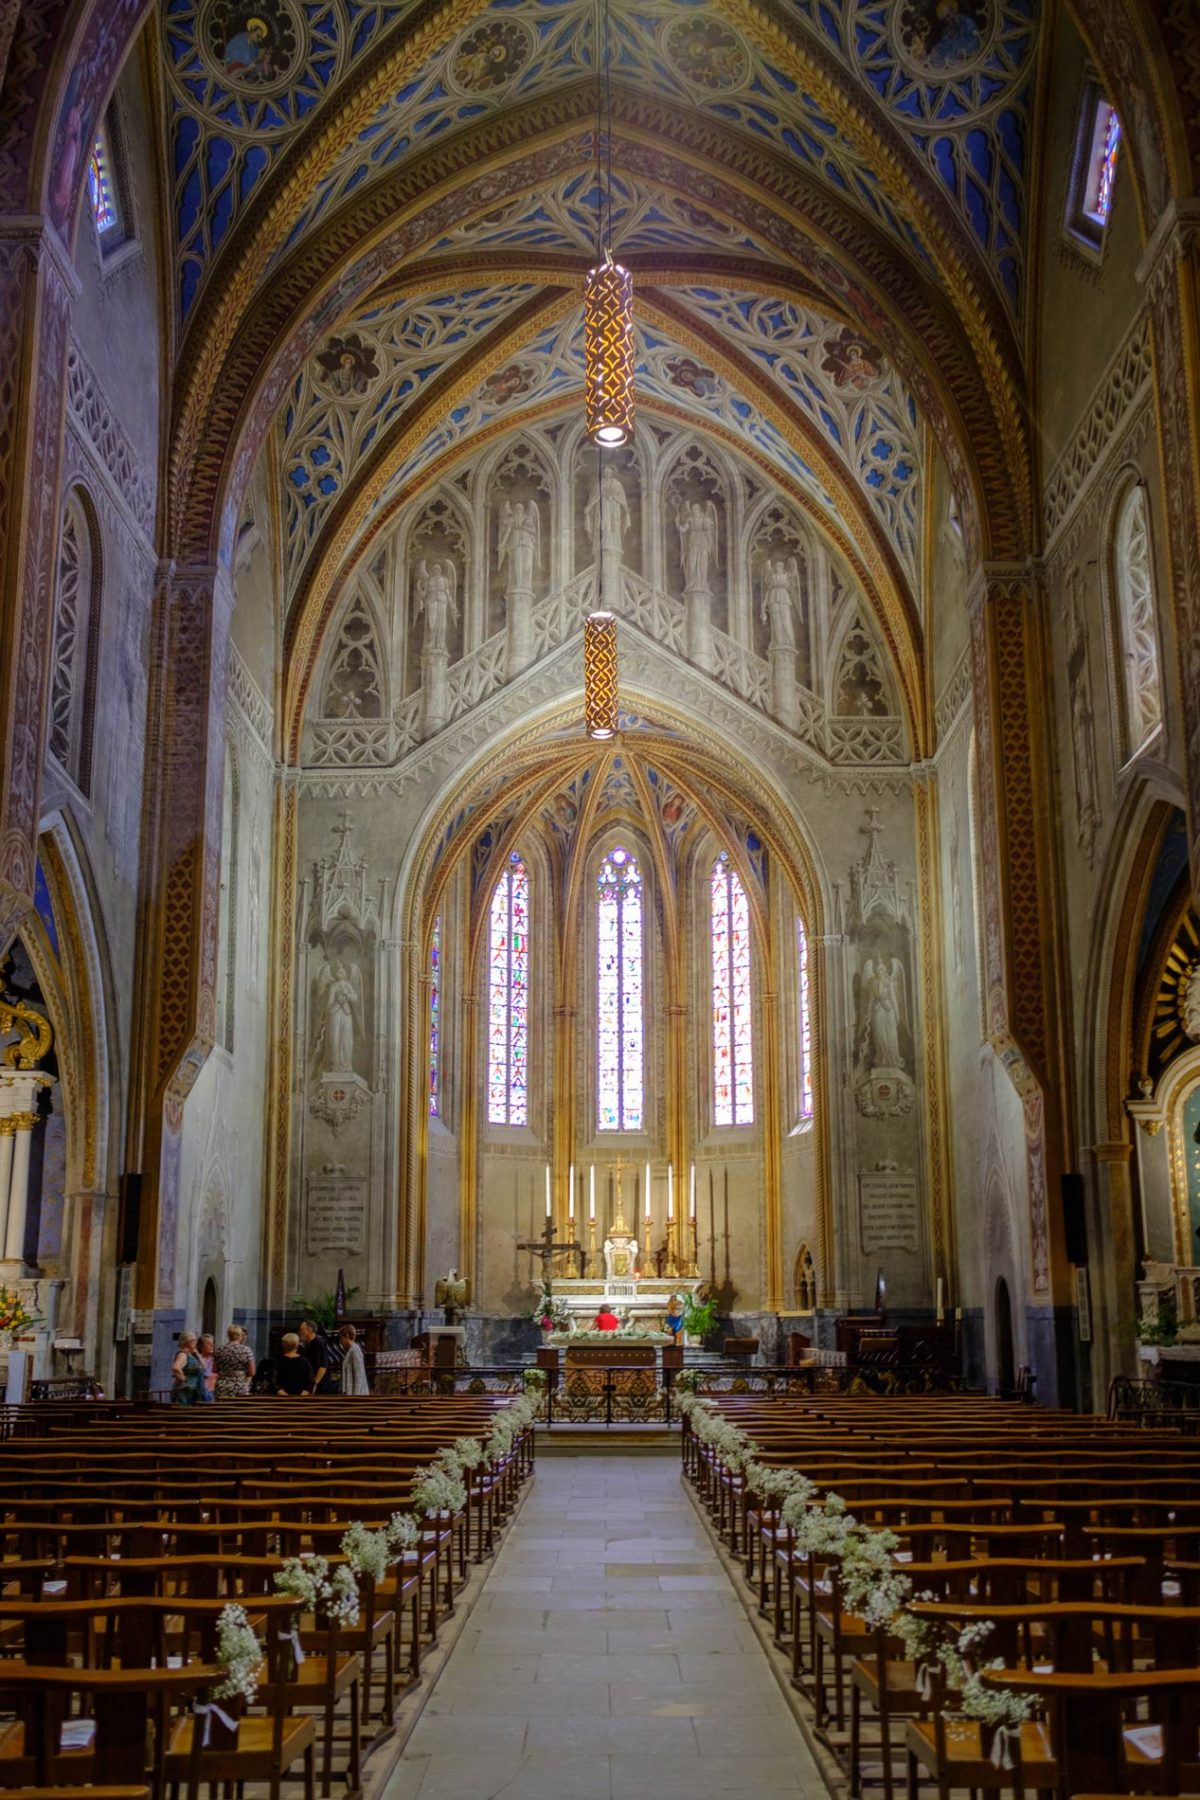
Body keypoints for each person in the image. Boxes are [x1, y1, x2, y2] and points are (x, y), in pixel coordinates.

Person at [212, 1323, 256, 1399]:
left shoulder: (219, 1350)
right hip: (239, 1386)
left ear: (228, 1335)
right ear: (240, 1336)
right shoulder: (246, 1350)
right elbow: (252, 1372)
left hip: (222, 1386)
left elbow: (214, 1369)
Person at [298, 1318, 333, 1394]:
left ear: (309, 1330)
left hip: (321, 1387)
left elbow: (323, 1366)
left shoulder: (318, 1344)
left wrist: (314, 1384)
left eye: (301, 1330)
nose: (300, 1332)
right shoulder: (309, 1344)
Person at [171, 1332, 206, 1406]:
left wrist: (197, 1354)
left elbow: (203, 1367)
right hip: (185, 1391)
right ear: (188, 1342)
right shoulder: (183, 1354)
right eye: (194, 1340)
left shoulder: (191, 1355)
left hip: (193, 1390)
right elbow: (175, 1368)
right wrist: (183, 1379)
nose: (196, 1342)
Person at [338, 1323, 369, 1395]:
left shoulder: (355, 1350)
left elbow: (358, 1374)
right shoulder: (351, 1350)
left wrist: (356, 1396)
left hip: (357, 1393)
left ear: (347, 1336)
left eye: (342, 1337)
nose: (341, 1341)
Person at [196, 1333, 217, 1403]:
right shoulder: (196, 1359)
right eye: (208, 1344)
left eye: (212, 1343)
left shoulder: (215, 1359)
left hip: (212, 1391)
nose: (212, 1346)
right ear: (201, 1346)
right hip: (199, 1391)